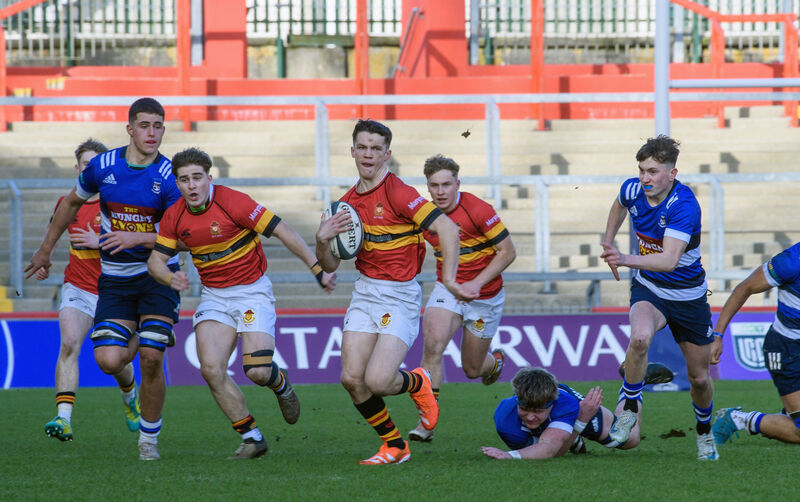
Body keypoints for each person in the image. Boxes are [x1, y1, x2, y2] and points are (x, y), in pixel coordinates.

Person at [148, 147, 336, 459]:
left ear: (209, 178)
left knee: (258, 372)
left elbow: (283, 230)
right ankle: (251, 437)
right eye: (184, 180)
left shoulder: (234, 202)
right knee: (211, 369)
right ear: (177, 184)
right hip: (214, 296)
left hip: (252, 292)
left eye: (197, 177)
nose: (192, 185)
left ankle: (281, 385)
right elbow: (155, 261)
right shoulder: (174, 215)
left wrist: (317, 268)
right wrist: (170, 278)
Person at [26, 98, 182, 461]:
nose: (152, 133)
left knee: (151, 357)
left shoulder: (168, 176)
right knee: (110, 361)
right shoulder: (103, 167)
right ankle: (149, 331)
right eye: (144, 125)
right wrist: (45, 250)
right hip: (114, 280)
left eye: (158, 126)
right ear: (129, 129)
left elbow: (182, 237)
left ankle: (148, 440)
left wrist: (136, 238)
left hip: (156, 275)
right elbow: (69, 204)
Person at [315, 119, 476, 465]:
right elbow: (329, 265)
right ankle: (395, 445)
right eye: (362, 147)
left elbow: (448, 228)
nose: (368, 154)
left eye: (376, 148)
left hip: (399, 295)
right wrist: (322, 240)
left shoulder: (398, 193)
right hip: (365, 292)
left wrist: (449, 279)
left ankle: (418, 383)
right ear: (352, 151)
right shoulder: (345, 204)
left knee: (377, 380)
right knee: (352, 379)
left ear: (387, 154)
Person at [599, 135, 718, 461]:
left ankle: (705, 432)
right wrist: (608, 242)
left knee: (699, 378)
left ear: (672, 173)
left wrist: (623, 258)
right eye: (641, 170)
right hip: (650, 289)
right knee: (639, 339)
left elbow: (668, 261)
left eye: (652, 172)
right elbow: (619, 204)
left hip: (689, 297)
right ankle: (629, 411)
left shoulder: (684, 206)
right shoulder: (633, 189)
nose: (644, 178)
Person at [37, 139, 140, 442]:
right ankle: (64, 418)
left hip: (114, 291)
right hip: (78, 287)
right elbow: (53, 231)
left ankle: (130, 395)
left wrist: (101, 242)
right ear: (77, 168)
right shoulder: (67, 202)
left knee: (115, 362)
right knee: (69, 343)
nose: (90, 169)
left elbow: (139, 247)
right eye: (85, 164)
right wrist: (45, 258)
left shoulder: (120, 202)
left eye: (95, 164)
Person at [408, 154, 516, 443]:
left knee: (472, 369)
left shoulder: (478, 210)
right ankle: (427, 422)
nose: (441, 191)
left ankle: (493, 363)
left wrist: (476, 283)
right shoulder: (425, 215)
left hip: (484, 295)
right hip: (448, 287)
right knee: (433, 345)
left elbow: (508, 252)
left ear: (458, 184)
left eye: (446, 184)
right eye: (434, 186)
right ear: (427, 187)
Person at [710, 242, 800, 446]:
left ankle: (786, 416)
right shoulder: (791, 261)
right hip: (787, 349)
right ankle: (737, 419)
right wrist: (718, 335)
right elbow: (745, 288)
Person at [481, 367, 641, 460]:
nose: (530, 416)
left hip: (575, 410)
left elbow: (551, 450)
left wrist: (581, 419)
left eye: (538, 411)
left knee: (629, 438)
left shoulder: (565, 404)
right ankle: (572, 438)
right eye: (524, 409)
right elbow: (546, 452)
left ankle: (633, 384)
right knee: (544, 445)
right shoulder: (504, 419)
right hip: (553, 423)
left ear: (551, 405)